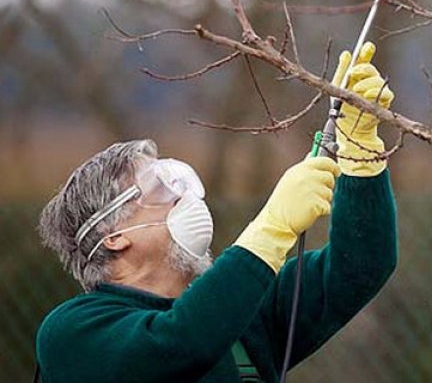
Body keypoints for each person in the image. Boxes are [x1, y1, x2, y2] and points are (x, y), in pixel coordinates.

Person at [34, 43, 397, 383]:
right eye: (162, 187)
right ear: (112, 235)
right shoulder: (72, 333)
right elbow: (179, 345)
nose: (186, 197)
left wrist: (360, 155)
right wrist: (272, 229)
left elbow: (361, 266)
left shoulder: (244, 312)